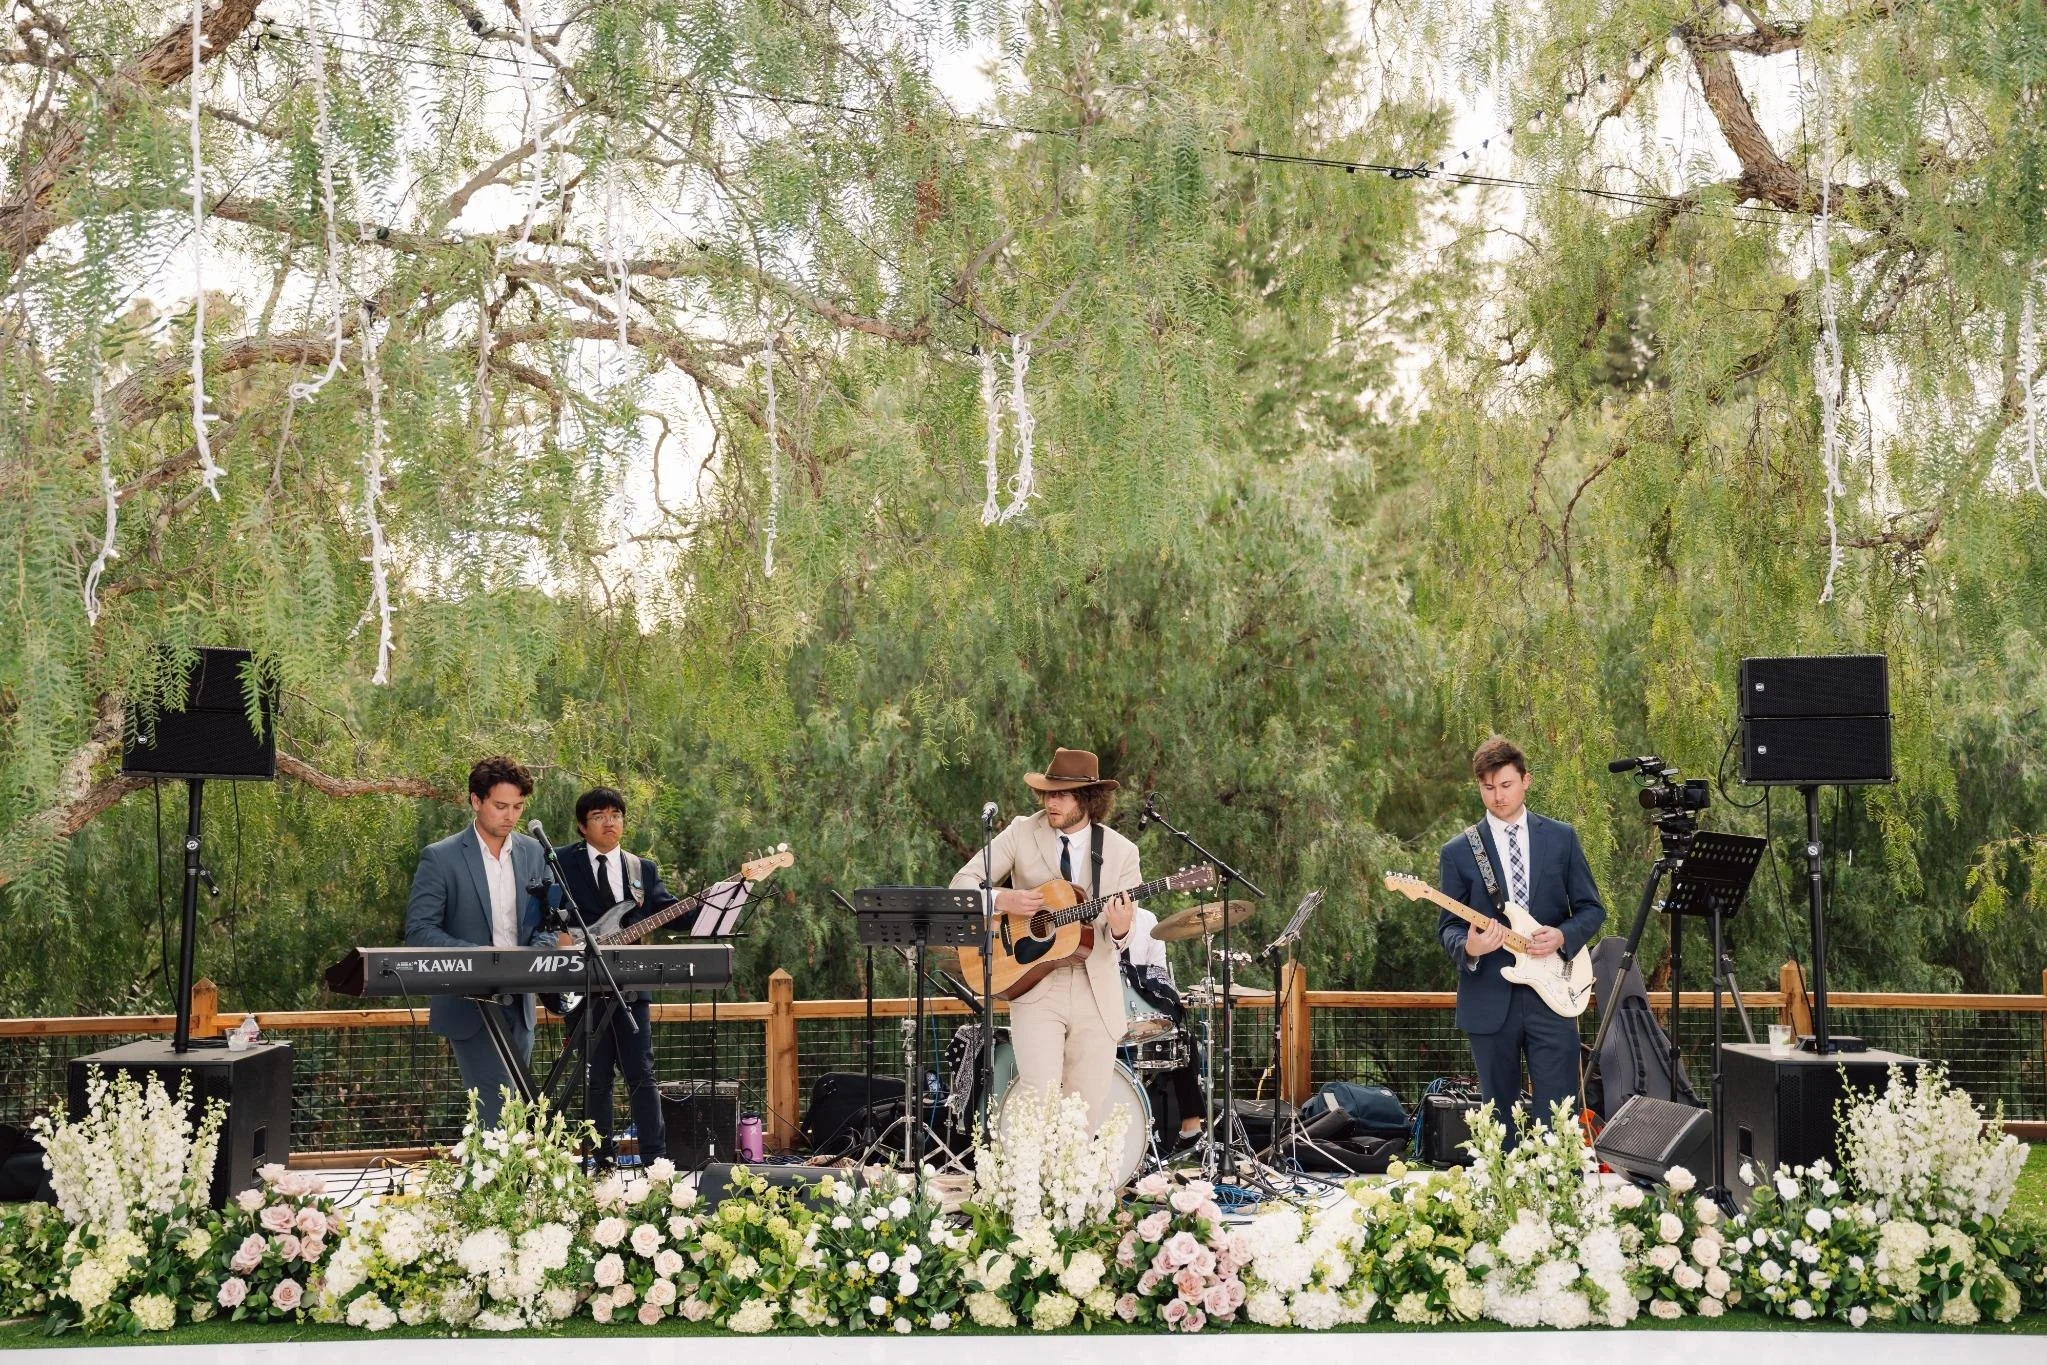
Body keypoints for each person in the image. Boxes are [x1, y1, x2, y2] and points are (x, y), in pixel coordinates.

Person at [950, 747, 1137, 1132]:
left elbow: (1123, 933)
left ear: (1088, 799)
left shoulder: (1121, 851)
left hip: (1096, 989)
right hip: (1035, 985)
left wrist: (1121, 928)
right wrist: (1003, 899)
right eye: (1048, 793)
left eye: (1062, 795)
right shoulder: (1022, 832)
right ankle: (1032, 1173)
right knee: (1038, 1102)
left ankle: (1075, 1175)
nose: (1051, 802)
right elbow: (962, 883)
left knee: (1085, 1108)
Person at [1438, 736, 1607, 1138]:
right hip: (1489, 998)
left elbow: (1592, 909)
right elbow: (1448, 927)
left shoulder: (1562, 837)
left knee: (1560, 1121)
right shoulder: (1458, 851)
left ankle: (1559, 1180)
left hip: (1554, 997)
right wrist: (1470, 947)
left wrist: (1562, 935)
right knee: (1499, 1125)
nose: (1498, 796)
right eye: (1488, 787)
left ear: (1526, 780)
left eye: (1506, 785)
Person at [403, 755, 556, 1128]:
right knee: (497, 1109)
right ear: (475, 800)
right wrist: (483, 959)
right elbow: (419, 930)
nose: (510, 816)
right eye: (501, 806)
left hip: (521, 1002)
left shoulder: (535, 852)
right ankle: (496, 1168)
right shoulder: (441, 857)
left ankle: (497, 1168)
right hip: (468, 1004)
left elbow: (549, 923)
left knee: (515, 1111)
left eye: (518, 807)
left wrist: (535, 956)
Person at [552, 786, 680, 1165]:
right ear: (582, 826)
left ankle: (656, 1162)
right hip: (582, 984)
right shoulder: (560, 862)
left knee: (642, 1072)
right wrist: (563, 942)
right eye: (599, 816)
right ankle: (601, 1159)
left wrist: (720, 898)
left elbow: (671, 911)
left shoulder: (642, 869)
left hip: (630, 987)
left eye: (616, 815)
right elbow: (545, 915)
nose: (610, 822)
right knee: (596, 1076)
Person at [1120, 907, 1205, 1148]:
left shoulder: (1148, 919)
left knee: (1183, 1038)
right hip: (1106, 1012)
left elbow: (1158, 971)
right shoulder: (1097, 916)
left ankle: (1190, 1130)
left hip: (1144, 1009)